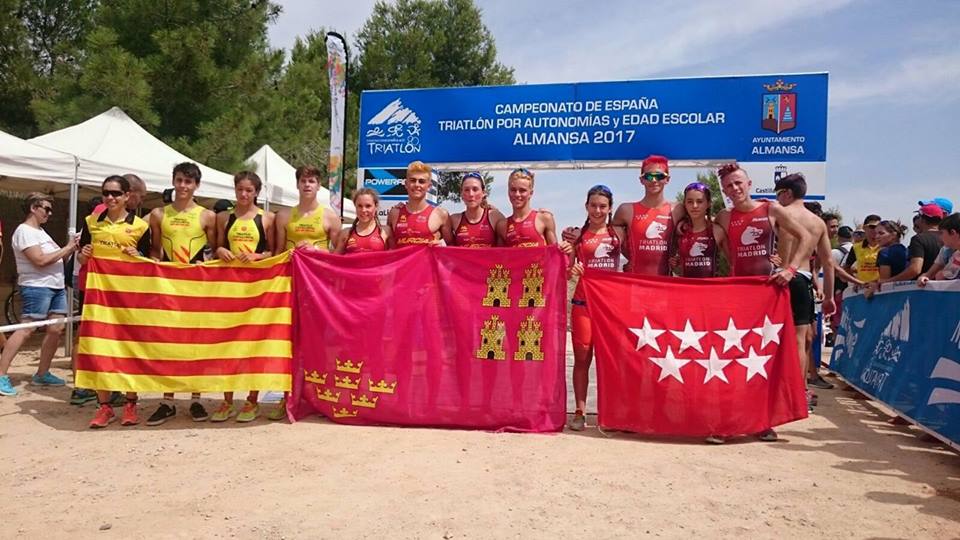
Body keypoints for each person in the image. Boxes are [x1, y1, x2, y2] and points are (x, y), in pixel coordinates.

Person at [716, 164, 824, 440]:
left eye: (738, 183)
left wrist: (790, 269)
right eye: (729, 186)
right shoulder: (724, 217)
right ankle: (730, 421)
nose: (734, 189)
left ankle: (763, 421)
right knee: (734, 357)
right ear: (724, 191)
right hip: (739, 294)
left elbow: (806, 237)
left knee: (763, 359)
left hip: (767, 294)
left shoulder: (771, 209)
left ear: (749, 184)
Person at [145, 162, 217, 425]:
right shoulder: (158, 214)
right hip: (169, 288)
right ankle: (168, 401)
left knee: (196, 343)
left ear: (196, 185)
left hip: (197, 289)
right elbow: (155, 250)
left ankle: (196, 399)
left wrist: (205, 264)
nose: (183, 186)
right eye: (179, 180)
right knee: (168, 343)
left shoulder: (207, 216)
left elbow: (215, 251)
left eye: (188, 181)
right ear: (173, 181)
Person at [77, 176, 152, 428]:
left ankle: (131, 404)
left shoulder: (140, 226)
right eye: (106, 193)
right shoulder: (91, 222)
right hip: (99, 298)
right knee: (100, 350)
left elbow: (151, 263)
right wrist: (83, 255)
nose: (111, 198)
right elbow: (81, 259)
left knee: (128, 349)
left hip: (129, 299)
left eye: (116, 193)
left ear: (127, 196)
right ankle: (105, 407)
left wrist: (138, 255)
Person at [211, 171, 277, 423]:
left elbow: (274, 252)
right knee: (226, 343)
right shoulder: (223, 217)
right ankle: (227, 400)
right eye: (240, 189)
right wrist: (221, 250)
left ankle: (252, 399)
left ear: (256, 192)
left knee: (253, 344)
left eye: (249, 190)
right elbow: (215, 247)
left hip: (256, 289)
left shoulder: (267, 218)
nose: (244, 194)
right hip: (228, 288)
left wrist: (258, 256)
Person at [0, 193, 79, 397]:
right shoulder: (24, 231)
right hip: (36, 286)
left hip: (55, 286)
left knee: (56, 328)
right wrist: (68, 248)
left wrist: (71, 249)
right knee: (26, 329)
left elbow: (55, 258)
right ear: (33, 208)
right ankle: (1, 374)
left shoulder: (41, 232)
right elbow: (40, 260)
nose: (49, 213)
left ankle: (42, 373)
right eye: (46, 209)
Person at [771, 173, 836, 415]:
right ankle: (797, 394)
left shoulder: (778, 214)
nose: (778, 198)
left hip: (777, 278)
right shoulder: (817, 222)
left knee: (771, 338)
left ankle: (771, 390)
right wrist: (829, 297)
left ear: (787, 193)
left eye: (779, 193)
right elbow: (828, 262)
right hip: (802, 278)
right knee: (800, 341)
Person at [567, 185, 623, 432]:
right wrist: (572, 269)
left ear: (610, 208)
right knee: (582, 359)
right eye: (593, 205)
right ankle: (580, 412)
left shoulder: (619, 233)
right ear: (586, 206)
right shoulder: (578, 236)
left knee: (609, 360)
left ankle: (610, 412)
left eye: (602, 206)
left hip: (610, 307)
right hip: (583, 304)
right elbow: (566, 270)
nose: (597, 210)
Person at [276, 165, 342, 253]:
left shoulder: (331, 217)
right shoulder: (283, 216)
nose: (307, 185)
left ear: (319, 186)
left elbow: (338, 253)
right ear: (297, 185)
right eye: (303, 181)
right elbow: (278, 252)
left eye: (311, 181)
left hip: (317, 262)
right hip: (291, 261)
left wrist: (316, 250)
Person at [672, 182, 727, 278]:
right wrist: (675, 262)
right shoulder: (680, 231)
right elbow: (676, 262)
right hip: (686, 286)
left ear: (708, 204)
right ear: (685, 204)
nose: (695, 206)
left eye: (700, 201)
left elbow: (732, 263)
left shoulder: (717, 231)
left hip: (710, 286)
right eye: (690, 201)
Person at [388, 161, 449, 246]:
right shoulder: (394, 214)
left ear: (429, 186)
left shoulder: (441, 214)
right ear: (406, 184)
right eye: (413, 180)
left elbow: (453, 246)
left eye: (421, 181)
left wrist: (443, 245)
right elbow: (389, 248)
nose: (417, 185)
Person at [497, 168, 560, 247]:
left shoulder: (544, 218)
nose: (517, 194)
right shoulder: (502, 226)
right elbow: (498, 254)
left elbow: (555, 251)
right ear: (508, 191)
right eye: (513, 190)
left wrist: (568, 247)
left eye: (522, 190)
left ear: (531, 193)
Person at [443, 172, 505, 248]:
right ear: (461, 194)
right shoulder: (454, 220)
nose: (471, 194)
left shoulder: (495, 217)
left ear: (483, 193)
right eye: (466, 190)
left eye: (475, 189)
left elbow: (507, 247)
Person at [887, 203, 944, 282]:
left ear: (922, 220)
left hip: (923, 286)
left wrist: (889, 281)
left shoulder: (919, 239)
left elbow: (915, 269)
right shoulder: (948, 237)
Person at [335, 188, 394, 254]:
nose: (363, 210)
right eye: (360, 206)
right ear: (355, 206)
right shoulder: (346, 233)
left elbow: (397, 257)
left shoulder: (386, 232)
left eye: (368, 206)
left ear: (376, 206)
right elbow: (335, 258)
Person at [866, 220, 909, 295]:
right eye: (876, 233)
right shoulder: (907, 251)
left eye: (881, 233)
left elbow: (884, 282)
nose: (877, 237)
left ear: (893, 235)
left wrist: (870, 290)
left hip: (892, 296)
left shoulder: (885, 253)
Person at [918, 213, 960, 285]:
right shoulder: (952, 253)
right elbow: (931, 275)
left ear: (953, 233)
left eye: (941, 233)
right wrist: (923, 278)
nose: (940, 237)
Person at [844, 214, 882, 285]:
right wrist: (856, 281)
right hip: (863, 287)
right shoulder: (856, 247)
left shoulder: (885, 246)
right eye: (872, 227)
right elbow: (846, 268)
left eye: (878, 227)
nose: (876, 229)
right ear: (864, 228)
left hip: (881, 287)